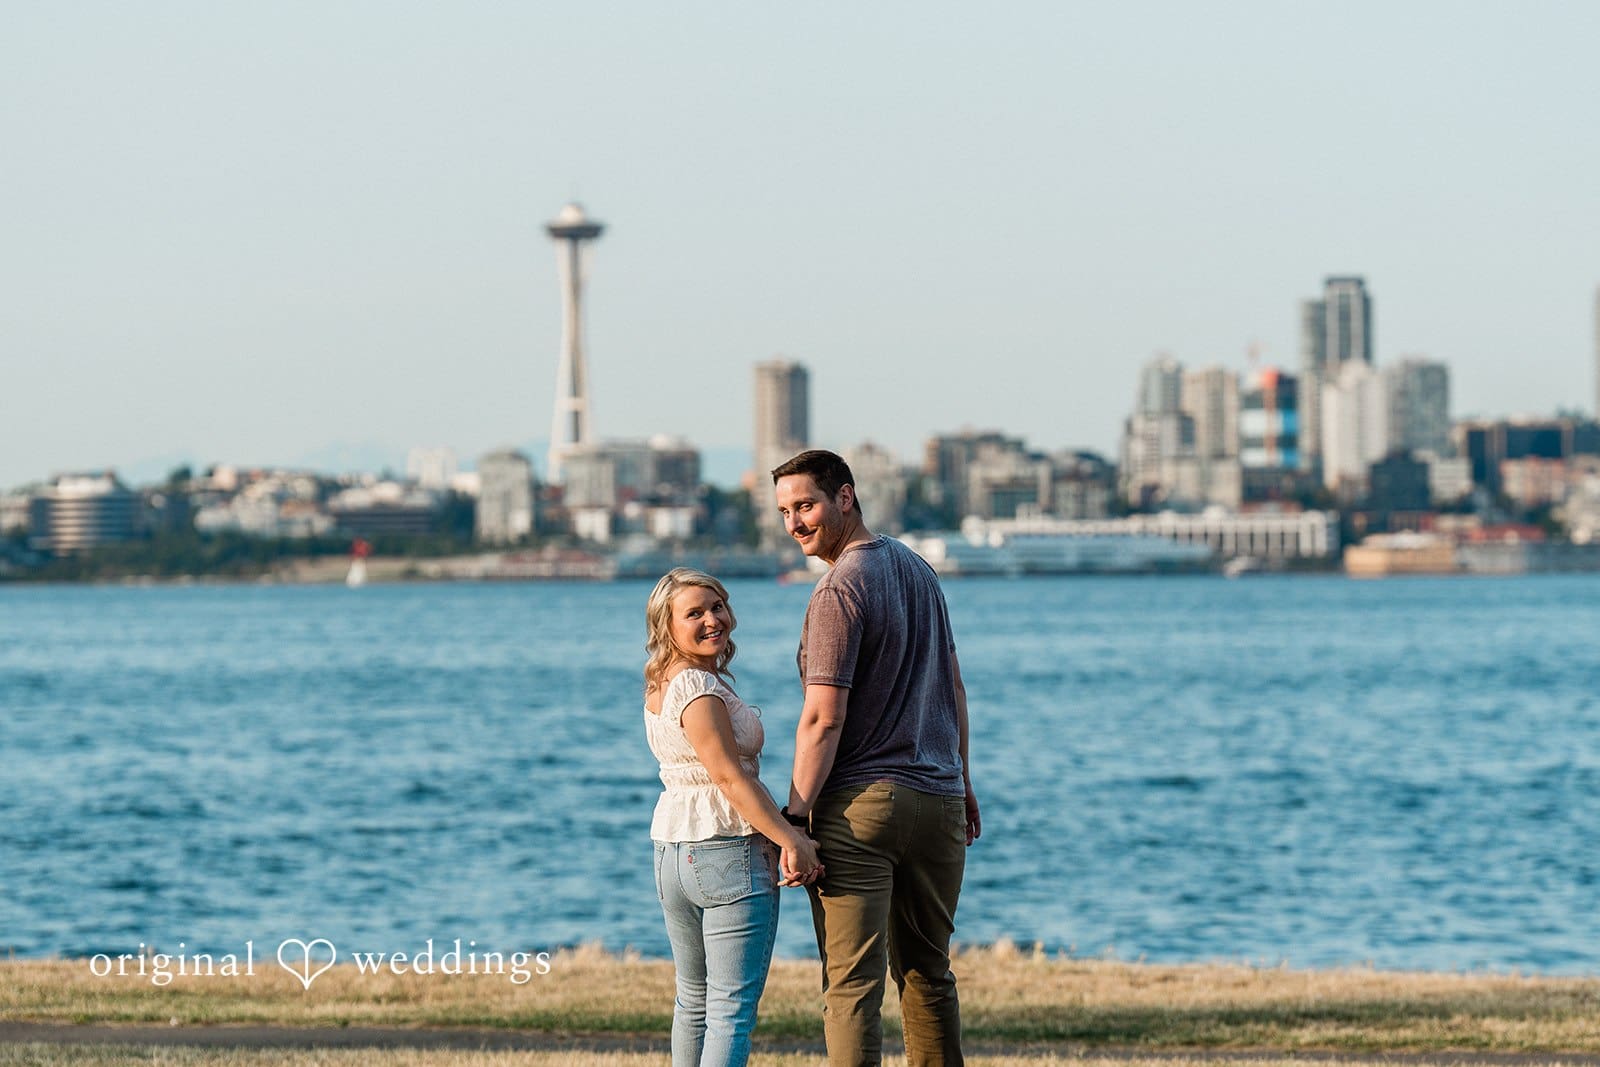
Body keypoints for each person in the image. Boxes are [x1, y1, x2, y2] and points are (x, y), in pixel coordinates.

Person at [772, 450, 981, 1067]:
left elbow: (823, 716)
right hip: (939, 799)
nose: (795, 523)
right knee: (928, 974)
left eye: (805, 505)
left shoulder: (838, 590)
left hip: (861, 809)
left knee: (852, 986)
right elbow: (955, 686)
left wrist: (794, 814)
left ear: (846, 497)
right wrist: (964, 779)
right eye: (784, 511)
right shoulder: (920, 571)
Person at [643, 567, 824, 1067]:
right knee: (728, 1011)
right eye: (693, 613)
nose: (711, 620)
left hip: (672, 855)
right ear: (667, 627)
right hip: (724, 851)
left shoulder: (662, 684)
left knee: (694, 1002)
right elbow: (729, 779)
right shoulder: (698, 687)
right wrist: (791, 838)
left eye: (716, 606)